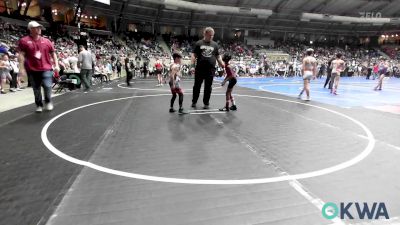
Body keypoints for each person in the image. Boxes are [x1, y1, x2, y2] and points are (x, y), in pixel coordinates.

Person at [18, 21, 60, 112]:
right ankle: (39, 105)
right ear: (30, 29)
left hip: (46, 68)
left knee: (48, 86)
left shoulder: (47, 41)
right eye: (36, 28)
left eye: (39, 27)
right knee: (36, 89)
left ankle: (48, 101)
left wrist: (56, 65)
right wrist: (21, 68)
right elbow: (21, 55)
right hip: (32, 69)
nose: (39, 29)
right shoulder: (24, 41)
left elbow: (53, 54)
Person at [191, 27, 225, 109]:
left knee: (208, 87)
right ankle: (194, 101)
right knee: (197, 86)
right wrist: (192, 66)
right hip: (199, 69)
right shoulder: (199, 43)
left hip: (210, 70)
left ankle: (206, 103)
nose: (211, 37)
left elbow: (218, 56)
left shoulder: (215, 45)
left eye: (212, 35)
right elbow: (193, 55)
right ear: (205, 34)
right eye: (210, 35)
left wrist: (223, 65)